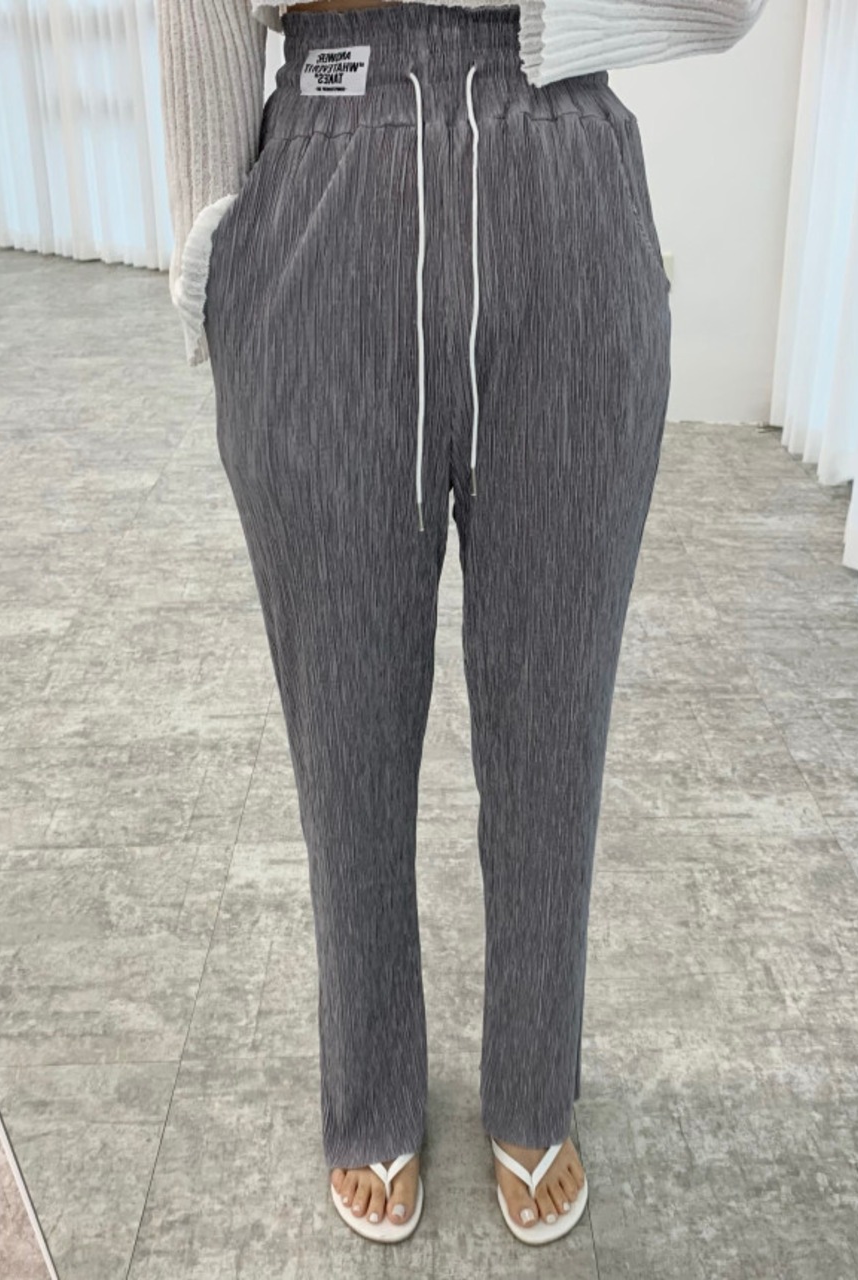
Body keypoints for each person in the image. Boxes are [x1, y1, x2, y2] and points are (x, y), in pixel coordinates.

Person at [156, 0, 765, 1246]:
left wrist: (558, 24)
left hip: (560, 176)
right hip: (324, 174)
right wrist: (209, 227)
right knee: (342, 725)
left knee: (554, 714)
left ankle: (534, 1082)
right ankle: (369, 1079)